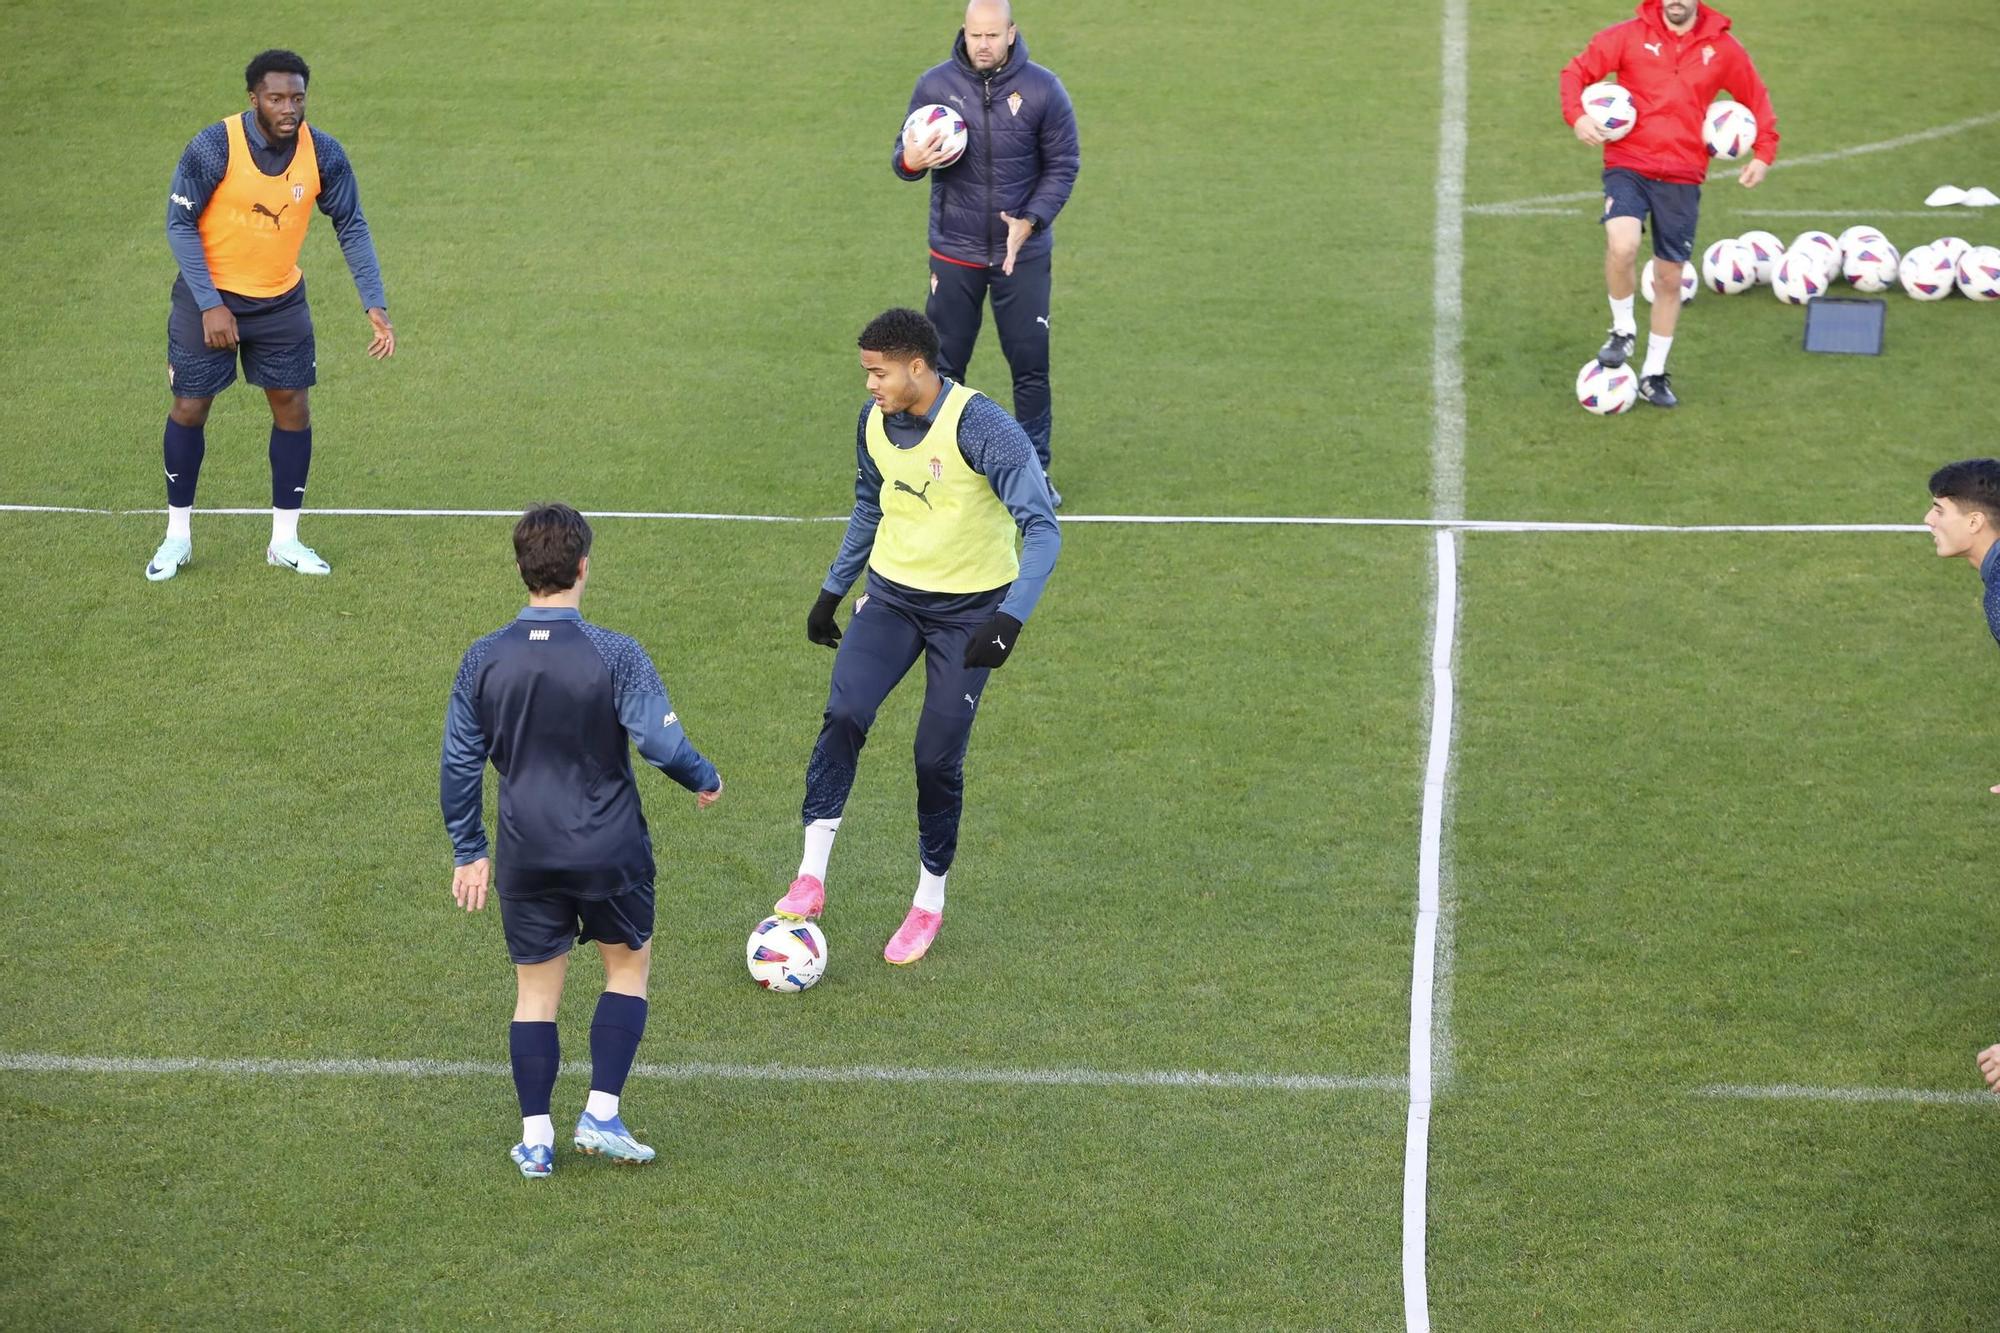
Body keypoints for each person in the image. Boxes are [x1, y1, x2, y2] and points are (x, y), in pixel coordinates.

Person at [441, 504, 722, 1178]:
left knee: (535, 994)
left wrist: (468, 848)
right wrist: (703, 776)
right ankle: (600, 1111)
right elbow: (658, 740)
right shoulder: (615, 651)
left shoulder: (483, 656)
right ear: (583, 565)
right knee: (628, 970)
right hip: (610, 849)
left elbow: (459, 763)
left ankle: (536, 1138)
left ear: (522, 568)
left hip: (525, 853)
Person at [775, 308, 1059, 965]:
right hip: (894, 599)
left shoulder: (984, 428)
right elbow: (871, 503)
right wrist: (830, 592)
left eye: (878, 372)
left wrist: (1007, 620)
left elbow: (1043, 528)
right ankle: (811, 873)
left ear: (918, 367)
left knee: (935, 756)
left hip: (969, 614)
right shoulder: (872, 421)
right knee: (844, 711)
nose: (869, 384)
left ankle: (928, 900)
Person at [147, 48, 394, 583]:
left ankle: (284, 541)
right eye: (277, 97)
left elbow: (351, 223)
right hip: (207, 299)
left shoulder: (323, 152)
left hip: (280, 301)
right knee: (190, 406)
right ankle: (176, 537)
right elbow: (178, 225)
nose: (289, 108)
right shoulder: (214, 147)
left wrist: (374, 301)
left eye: (297, 97)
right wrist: (211, 303)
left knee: (293, 407)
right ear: (253, 98)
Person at [895, 1, 1078, 503]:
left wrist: (1030, 220)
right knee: (943, 365)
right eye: (976, 34)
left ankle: (1035, 471)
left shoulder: (1043, 89)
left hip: (1023, 254)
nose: (983, 44)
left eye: (993, 35)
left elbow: (1064, 163)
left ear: (1012, 34)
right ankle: (938, 467)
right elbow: (903, 157)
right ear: (964, 32)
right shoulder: (935, 87)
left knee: (1030, 363)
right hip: (955, 251)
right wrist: (910, 160)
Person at [1560, 0, 1777, 408]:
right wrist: (1577, 115)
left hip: (1682, 175)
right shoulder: (1626, 37)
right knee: (1622, 245)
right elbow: (1576, 71)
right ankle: (1623, 330)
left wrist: (1763, 153)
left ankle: (1653, 374)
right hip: (1629, 164)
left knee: (1669, 278)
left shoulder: (1724, 49)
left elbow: (1756, 98)